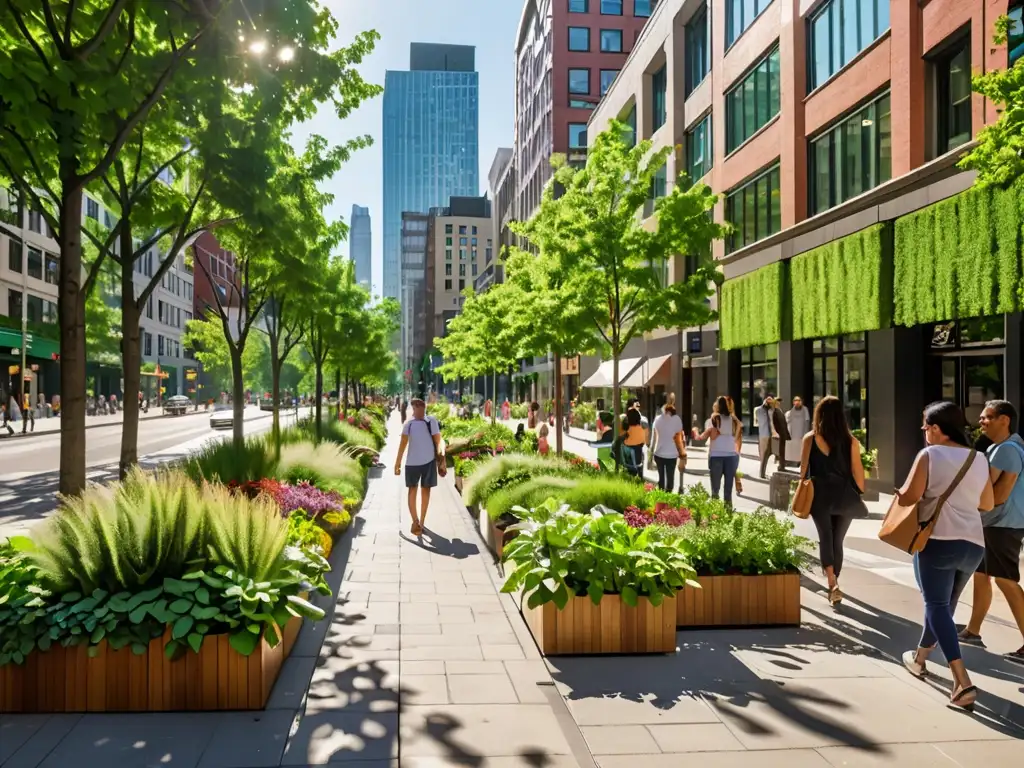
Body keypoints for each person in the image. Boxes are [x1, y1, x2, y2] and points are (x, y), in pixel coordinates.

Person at [895, 401, 993, 712]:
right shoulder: (978, 458)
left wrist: (905, 493)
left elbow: (910, 496)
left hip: (938, 540)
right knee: (943, 608)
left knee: (936, 606)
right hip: (973, 544)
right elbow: (987, 503)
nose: (924, 432)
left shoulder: (929, 455)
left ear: (937, 428)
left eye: (925, 427)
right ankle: (920, 658)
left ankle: (961, 680)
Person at [959, 400, 1024, 664]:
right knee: (982, 574)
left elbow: (997, 495)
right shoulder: (1001, 447)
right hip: (995, 523)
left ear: (1004, 420)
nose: (981, 421)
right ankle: (972, 631)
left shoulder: (1007, 450)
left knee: (1005, 580)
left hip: (1002, 523)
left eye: (987, 417)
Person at [799, 396, 867, 607]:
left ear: (819, 415)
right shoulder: (851, 441)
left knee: (825, 538)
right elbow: (858, 474)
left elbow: (803, 473)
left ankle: (832, 582)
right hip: (844, 495)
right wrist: (859, 493)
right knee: (838, 540)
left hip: (820, 495)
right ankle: (835, 581)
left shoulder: (810, 439)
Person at [394, 398, 442, 537]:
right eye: (417, 407)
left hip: (429, 461)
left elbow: (438, 440)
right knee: (412, 490)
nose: (419, 410)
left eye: (421, 407)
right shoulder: (408, 424)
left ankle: (421, 521)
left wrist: (441, 459)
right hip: (412, 463)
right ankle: (415, 521)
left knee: (425, 491)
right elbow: (402, 445)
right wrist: (397, 463)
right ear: (413, 409)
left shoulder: (431, 421)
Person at [699, 396, 741, 505]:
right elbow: (740, 426)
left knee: (715, 489)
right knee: (728, 489)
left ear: (717, 406)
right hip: (731, 455)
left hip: (716, 455)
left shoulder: (713, 419)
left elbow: (709, 436)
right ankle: (728, 512)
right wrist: (734, 438)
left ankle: (715, 513)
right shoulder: (733, 420)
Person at [651, 403, 686, 492]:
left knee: (661, 477)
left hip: (658, 452)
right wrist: (682, 454)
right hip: (672, 454)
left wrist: (651, 454)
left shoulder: (657, 419)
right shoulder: (677, 419)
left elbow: (654, 438)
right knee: (670, 476)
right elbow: (679, 438)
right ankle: (669, 495)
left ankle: (661, 495)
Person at [786, 396, 812, 464]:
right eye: (795, 400)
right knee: (794, 449)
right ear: (793, 402)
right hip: (793, 435)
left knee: (801, 450)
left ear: (801, 402)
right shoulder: (790, 412)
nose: (797, 402)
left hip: (802, 434)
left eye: (799, 400)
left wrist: (805, 434)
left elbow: (807, 422)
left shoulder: (805, 410)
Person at [621, 408, 647, 477]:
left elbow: (621, 439)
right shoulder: (641, 429)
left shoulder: (626, 429)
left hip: (627, 456)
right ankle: (640, 478)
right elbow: (643, 442)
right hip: (637, 455)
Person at [770, 396, 790, 471]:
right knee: (781, 451)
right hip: (780, 435)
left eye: (779, 401)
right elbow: (775, 424)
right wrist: (778, 434)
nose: (779, 402)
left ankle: (782, 466)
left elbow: (784, 424)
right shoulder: (775, 412)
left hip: (784, 434)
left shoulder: (780, 411)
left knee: (783, 451)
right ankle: (781, 466)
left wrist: (787, 434)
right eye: (777, 401)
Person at [757, 396, 774, 478]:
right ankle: (762, 473)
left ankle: (763, 473)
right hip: (764, 435)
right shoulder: (759, 410)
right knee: (764, 455)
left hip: (771, 435)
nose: (769, 403)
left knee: (768, 454)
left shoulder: (771, 410)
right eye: (768, 401)